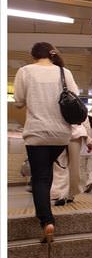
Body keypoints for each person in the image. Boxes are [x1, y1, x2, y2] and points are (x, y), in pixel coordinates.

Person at [13, 42, 80, 242]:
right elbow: (75, 97)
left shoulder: (25, 71)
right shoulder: (64, 72)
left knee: (40, 178)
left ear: (33, 55)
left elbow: (18, 101)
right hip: (60, 135)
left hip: (37, 134)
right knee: (47, 175)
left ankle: (47, 221)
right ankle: (46, 213)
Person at [50, 122, 89, 205]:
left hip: (75, 133)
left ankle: (70, 193)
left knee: (74, 166)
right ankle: (60, 194)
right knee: (59, 165)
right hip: (58, 132)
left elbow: (83, 116)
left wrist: (88, 138)